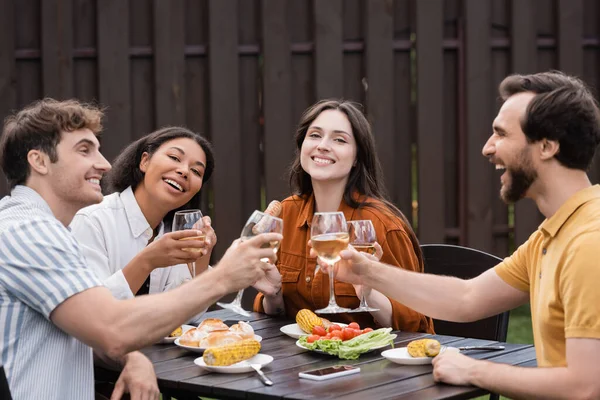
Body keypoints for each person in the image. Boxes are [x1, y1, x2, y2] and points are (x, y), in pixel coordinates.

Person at [318, 72, 600, 399]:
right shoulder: (555, 234)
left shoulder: (589, 241)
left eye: (500, 134)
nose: (487, 148)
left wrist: (473, 370)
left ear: (547, 145)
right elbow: (467, 298)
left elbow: (586, 386)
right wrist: (367, 271)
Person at [0, 98, 280, 400]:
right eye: (84, 150)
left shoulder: (43, 229)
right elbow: (111, 326)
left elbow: (92, 325)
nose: (104, 164)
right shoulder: (28, 231)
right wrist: (223, 276)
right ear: (39, 161)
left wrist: (131, 356)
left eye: (197, 171)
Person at [252, 99, 433, 333]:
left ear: (358, 156)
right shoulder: (286, 214)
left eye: (339, 139)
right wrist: (274, 296)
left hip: (374, 365)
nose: (323, 146)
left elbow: (416, 325)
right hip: (295, 363)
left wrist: (368, 292)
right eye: (315, 135)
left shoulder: (382, 225)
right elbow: (272, 318)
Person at [70, 127, 217, 317]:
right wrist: (147, 261)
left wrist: (203, 258)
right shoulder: (92, 221)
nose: (184, 171)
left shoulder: (174, 231)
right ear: (145, 161)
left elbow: (188, 315)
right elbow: (91, 314)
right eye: (174, 158)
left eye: (196, 171)